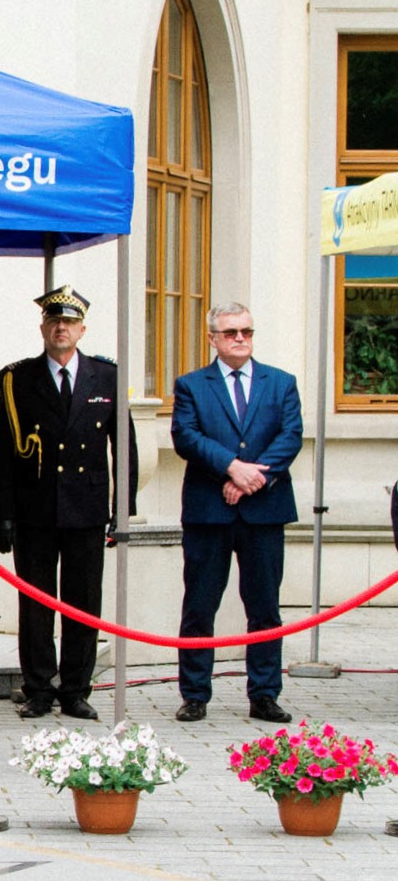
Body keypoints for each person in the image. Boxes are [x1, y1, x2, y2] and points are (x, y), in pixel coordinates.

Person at [0, 285, 134, 721]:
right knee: (36, 605)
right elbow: (2, 452)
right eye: (54, 321)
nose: (61, 329)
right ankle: (38, 688)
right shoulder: (17, 379)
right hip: (34, 511)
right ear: (43, 328)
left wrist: (122, 511)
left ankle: (75, 689)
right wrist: (2, 514)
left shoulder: (106, 377)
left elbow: (124, 448)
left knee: (83, 603)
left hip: (86, 509)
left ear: (82, 330)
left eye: (69, 322)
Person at [171, 302, 302, 724]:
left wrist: (251, 478)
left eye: (246, 331)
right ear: (213, 338)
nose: (240, 338)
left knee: (264, 608)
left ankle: (264, 694)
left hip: (264, 511)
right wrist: (231, 467)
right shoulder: (192, 385)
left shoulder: (281, 383)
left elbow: (291, 435)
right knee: (199, 606)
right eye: (230, 333)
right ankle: (195, 694)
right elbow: (186, 437)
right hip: (209, 513)